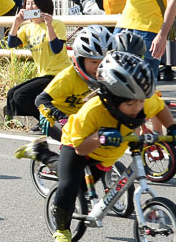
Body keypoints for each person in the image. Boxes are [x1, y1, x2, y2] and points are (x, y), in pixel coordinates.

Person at [49, 51, 176, 242]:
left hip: (109, 151)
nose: (137, 108)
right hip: (80, 147)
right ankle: (61, 231)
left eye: (140, 101)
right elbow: (80, 148)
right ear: (111, 99)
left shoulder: (141, 101)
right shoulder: (93, 111)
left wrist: (173, 127)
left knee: (92, 186)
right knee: (70, 188)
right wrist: (99, 136)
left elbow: (159, 108)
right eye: (130, 104)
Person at [14, 25, 116, 165]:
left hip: (80, 117)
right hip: (54, 118)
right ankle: (41, 153)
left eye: (104, 62)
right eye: (93, 62)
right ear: (80, 59)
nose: (99, 67)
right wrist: (62, 117)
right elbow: (40, 99)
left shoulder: (105, 75)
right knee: (75, 155)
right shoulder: (68, 77)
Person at [3, 0, 69, 121]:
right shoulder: (28, 28)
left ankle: (47, 121)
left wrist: (49, 25)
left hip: (58, 73)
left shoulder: (57, 24)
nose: (29, 7)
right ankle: (41, 120)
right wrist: (16, 23)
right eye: (27, 4)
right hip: (43, 74)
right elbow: (12, 43)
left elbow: (56, 49)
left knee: (21, 95)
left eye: (33, 4)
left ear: (43, 5)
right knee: (12, 94)